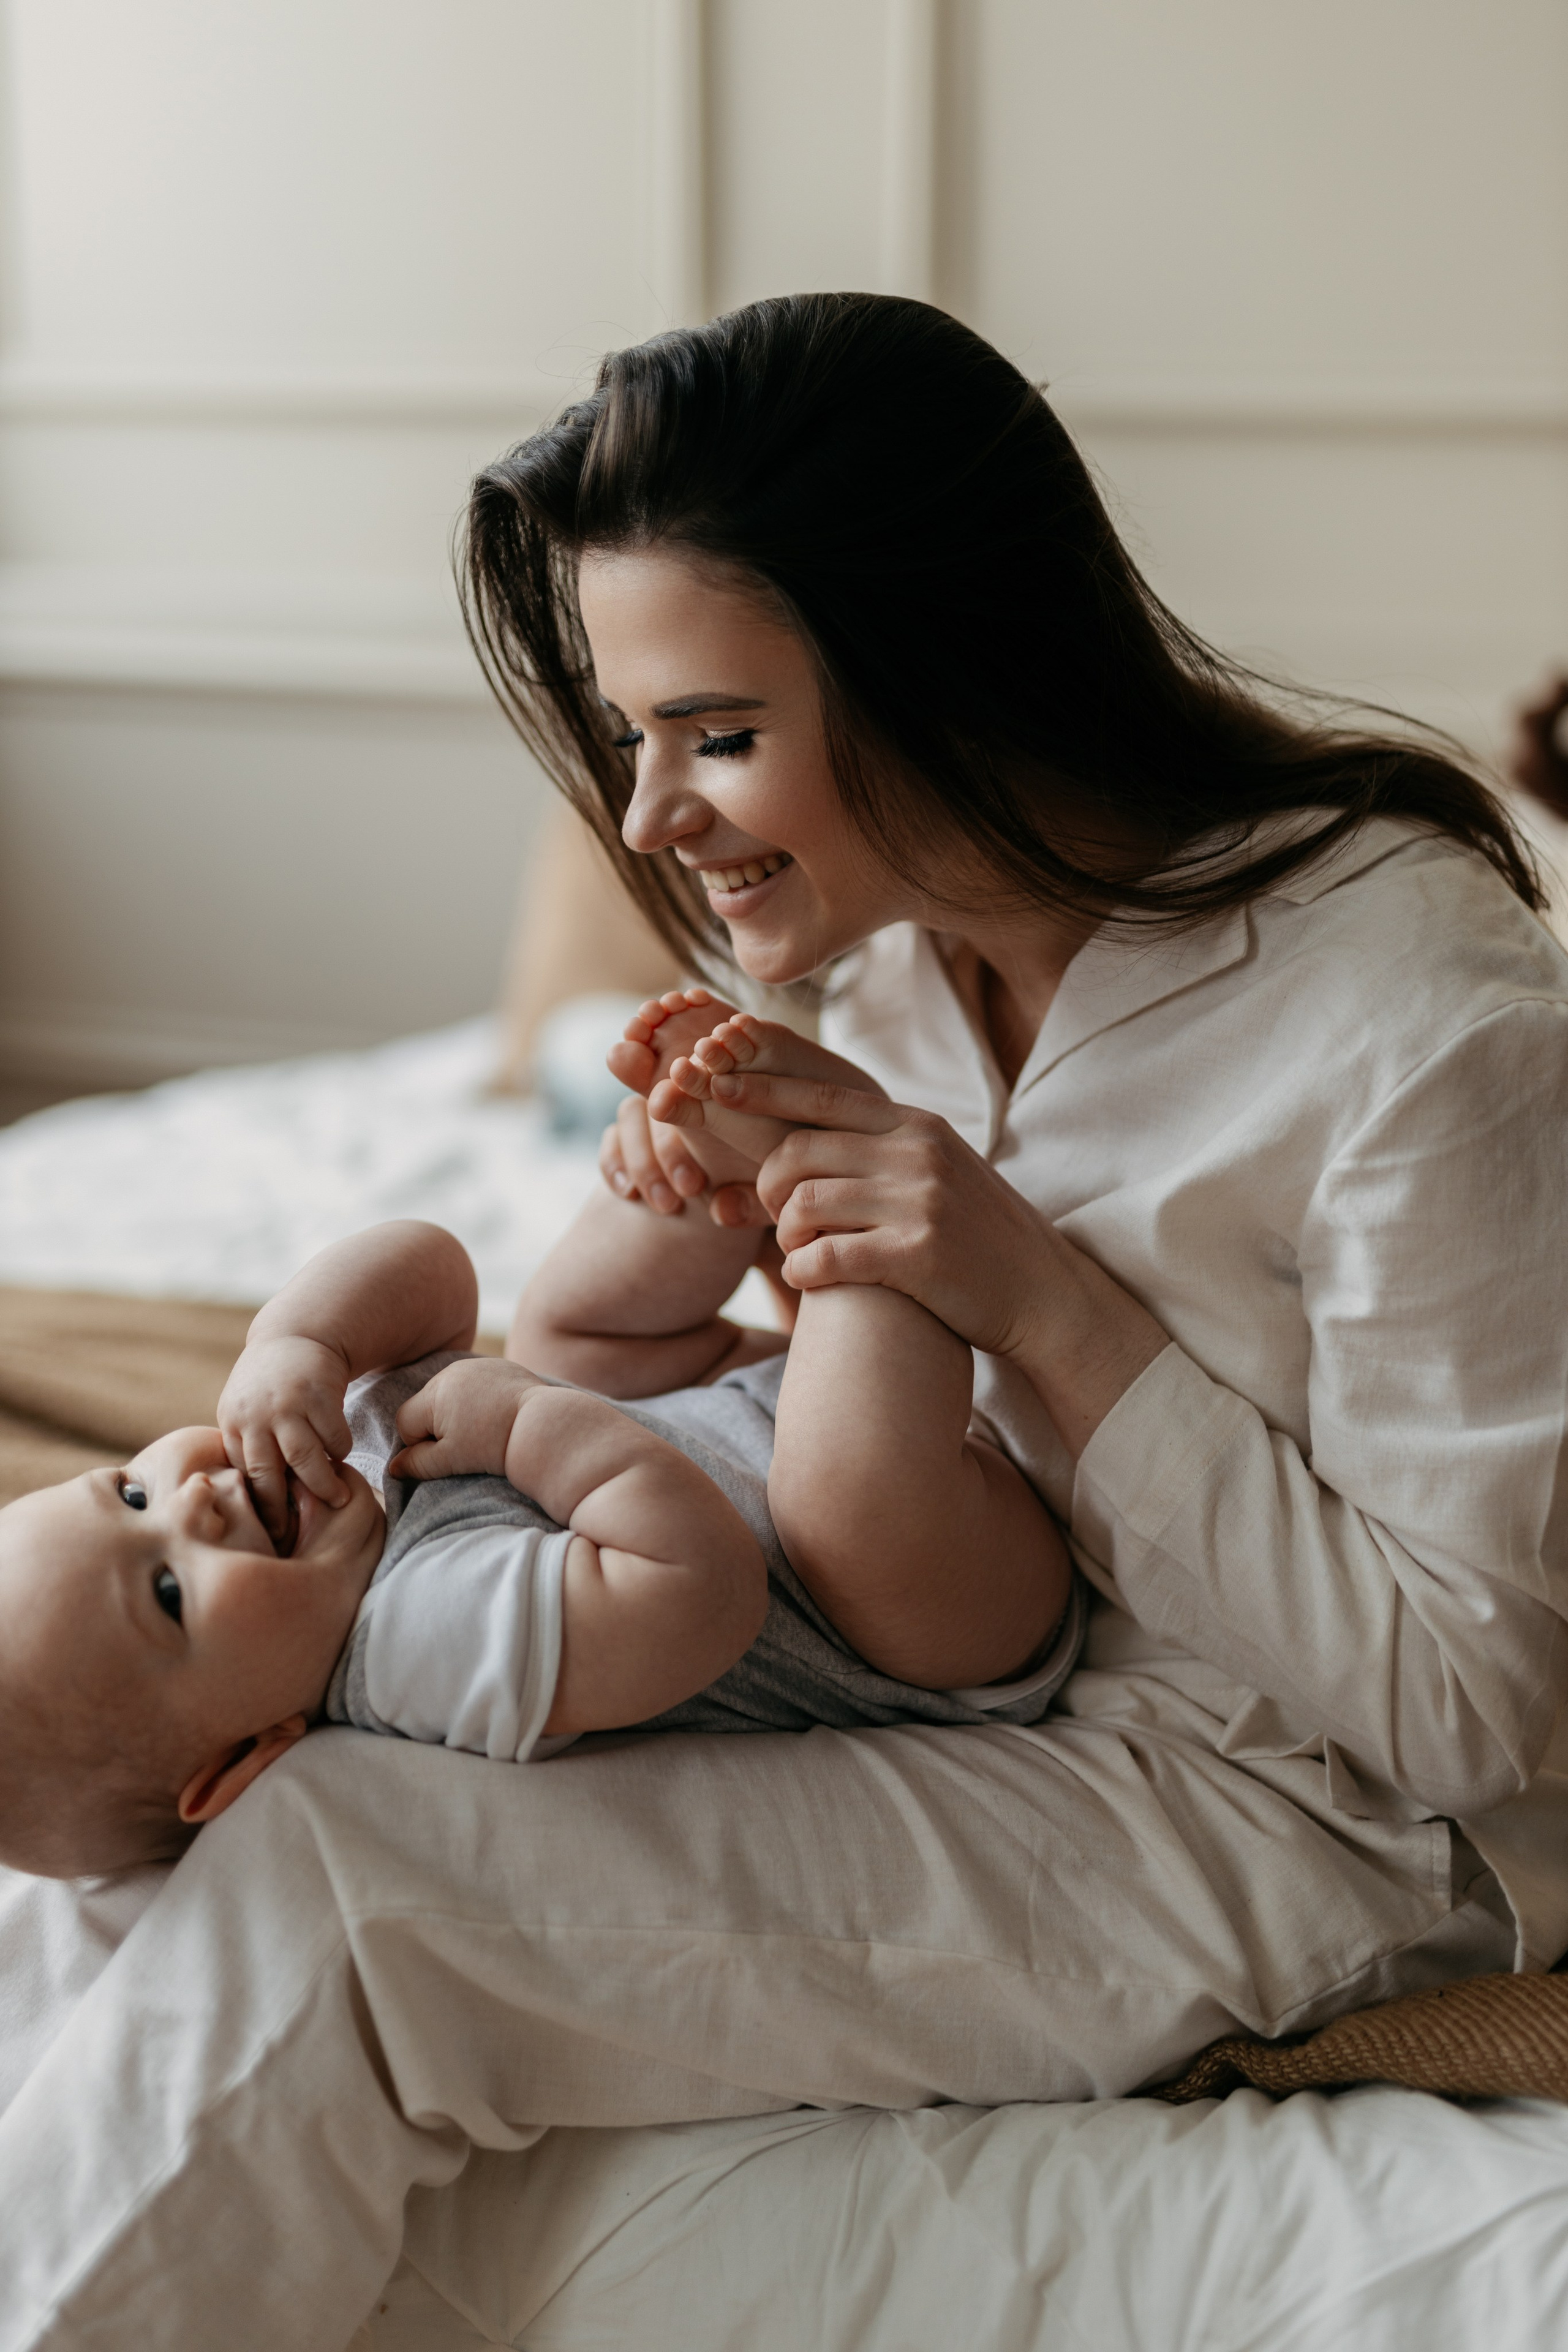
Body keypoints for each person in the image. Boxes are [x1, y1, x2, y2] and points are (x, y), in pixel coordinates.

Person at [2, 290, 1566, 2352]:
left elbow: (1488, 1714)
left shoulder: (1420, 1030)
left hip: (1289, 1818)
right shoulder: (895, 961)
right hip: (916, 1680)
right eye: (632, 734)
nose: (650, 819)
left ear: (958, 676)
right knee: (128, 1828)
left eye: (717, 737)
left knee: (337, 1884)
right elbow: (691, 1364)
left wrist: (1036, 1304)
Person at [0, 1206, 1079, 1877]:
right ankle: (856, 1254)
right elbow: (700, 1589)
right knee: (846, 1498)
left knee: (560, 1325)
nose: (188, 1508)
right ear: (244, 1760)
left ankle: (710, 1172)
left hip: (748, 1418)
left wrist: (297, 1339)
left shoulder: (323, 1465)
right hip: (930, 1608)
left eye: (129, 1494)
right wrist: (522, 1424)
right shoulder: (414, 1648)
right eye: (170, 1597)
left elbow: (434, 1270)